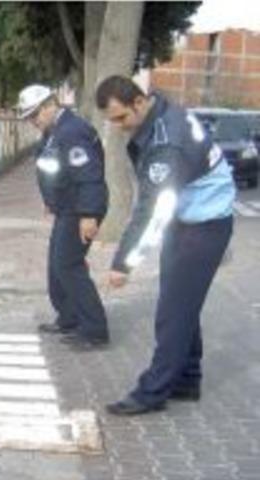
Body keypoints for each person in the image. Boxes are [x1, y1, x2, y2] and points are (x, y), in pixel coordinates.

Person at [95, 75, 236, 415]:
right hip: (194, 218)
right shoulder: (161, 108)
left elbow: (152, 213)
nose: (117, 127)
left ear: (139, 103)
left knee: (172, 312)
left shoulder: (166, 145)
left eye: (121, 118)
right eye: (111, 120)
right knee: (182, 303)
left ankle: (152, 392)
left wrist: (123, 263)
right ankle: (187, 378)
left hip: (203, 225)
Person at [17, 84, 110, 351]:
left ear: (50, 105)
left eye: (34, 115)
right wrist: (51, 201)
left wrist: (89, 215)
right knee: (56, 265)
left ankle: (95, 330)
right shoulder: (54, 131)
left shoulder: (72, 130)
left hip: (80, 209)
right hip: (66, 207)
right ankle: (69, 318)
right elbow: (55, 168)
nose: (32, 121)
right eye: (28, 117)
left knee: (69, 266)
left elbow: (89, 174)